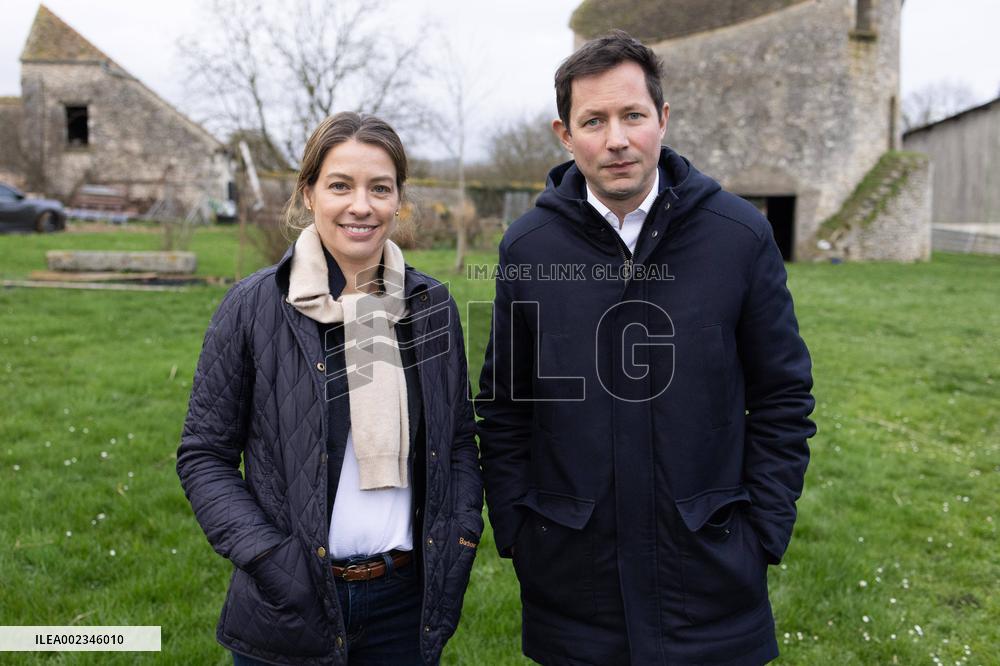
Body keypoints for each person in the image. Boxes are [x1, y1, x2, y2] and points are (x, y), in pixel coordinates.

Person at [476, 31, 816, 665]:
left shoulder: (740, 236)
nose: (616, 139)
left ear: (662, 118)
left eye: (632, 115)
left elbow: (783, 397)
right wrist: (522, 532)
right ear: (564, 134)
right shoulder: (528, 248)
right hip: (575, 590)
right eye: (593, 121)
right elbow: (504, 408)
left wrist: (763, 531)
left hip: (712, 580)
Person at [178, 112, 483, 666]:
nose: (361, 206)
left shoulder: (430, 306)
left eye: (380, 188)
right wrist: (270, 561)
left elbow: (458, 440)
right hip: (289, 602)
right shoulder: (252, 307)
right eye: (340, 185)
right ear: (308, 193)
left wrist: (461, 534)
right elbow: (204, 455)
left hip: (404, 605)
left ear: (398, 199)